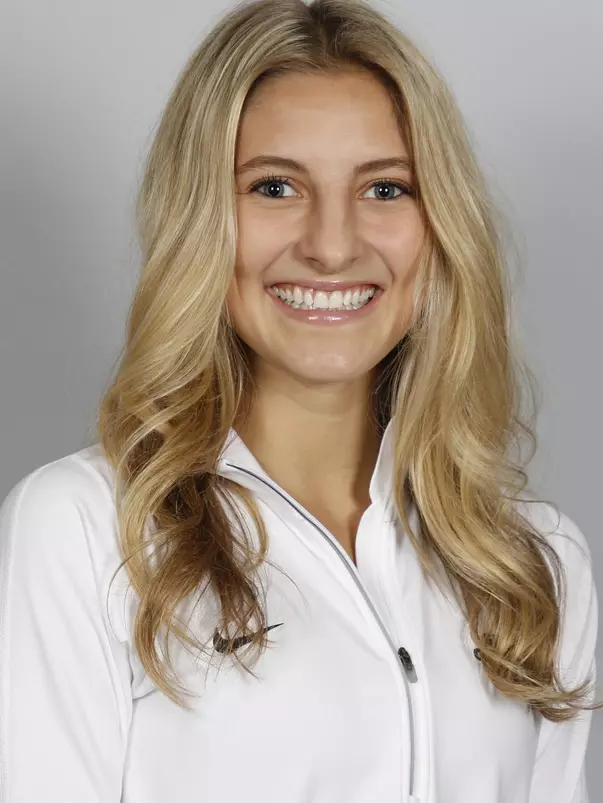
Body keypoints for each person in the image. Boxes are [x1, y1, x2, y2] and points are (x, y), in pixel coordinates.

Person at [0, 0, 600, 801]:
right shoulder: (84, 530)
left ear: (438, 224)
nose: (331, 244)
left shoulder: (534, 565)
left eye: (385, 188)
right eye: (274, 186)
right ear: (201, 218)